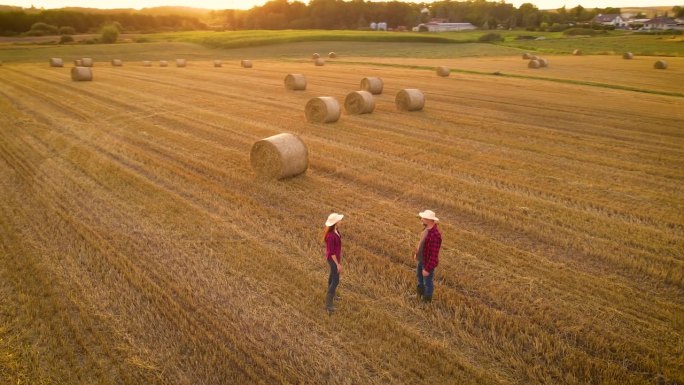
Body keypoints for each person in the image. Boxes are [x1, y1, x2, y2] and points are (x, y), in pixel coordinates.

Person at [414, 210, 442, 304]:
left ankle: (426, 302)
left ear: (429, 220)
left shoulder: (435, 235)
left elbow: (434, 255)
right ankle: (419, 295)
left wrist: (427, 269)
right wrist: (417, 253)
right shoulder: (426, 229)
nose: (421, 219)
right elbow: (421, 243)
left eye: (423, 218)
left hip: (427, 263)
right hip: (421, 259)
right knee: (419, 277)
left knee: (428, 282)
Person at [323, 213, 344, 314]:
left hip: (334, 258)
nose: (341, 221)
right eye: (339, 220)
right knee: (335, 281)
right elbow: (331, 253)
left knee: (332, 276)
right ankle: (328, 305)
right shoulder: (331, 236)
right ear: (335, 223)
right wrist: (338, 264)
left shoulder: (336, 231)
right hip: (333, 259)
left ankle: (333, 295)